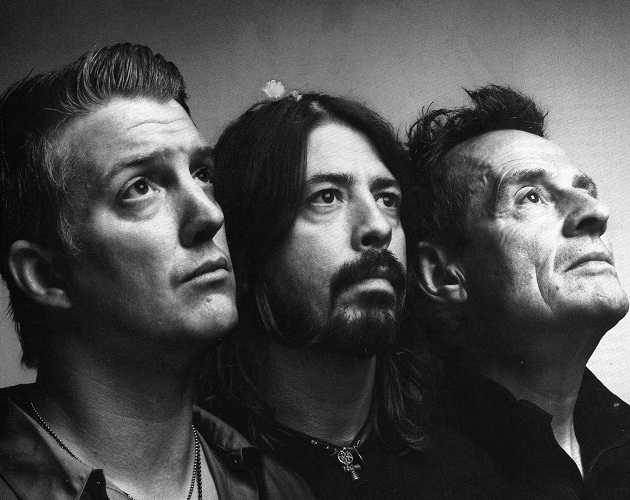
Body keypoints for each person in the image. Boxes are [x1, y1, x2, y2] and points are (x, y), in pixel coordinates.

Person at [0, 44, 313, 500]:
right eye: (140, 187)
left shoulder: (278, 489)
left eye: (202, 173)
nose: (210, 214)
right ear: (46, 275)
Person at [200, 89, 502, 499]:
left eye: (388, 199)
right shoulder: (200, 477)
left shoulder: (466, 473)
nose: (378, 225)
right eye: (326, 197)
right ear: (248, 246)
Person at [408, 84, 630, 499]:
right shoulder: (413, 479)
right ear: (443, 275)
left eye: (586, 191)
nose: (596, 213)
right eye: (531, 197)